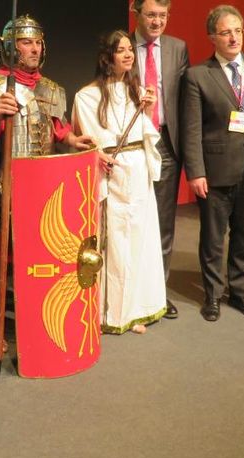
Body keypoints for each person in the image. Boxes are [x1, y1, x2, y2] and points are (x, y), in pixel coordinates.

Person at [0, 14, 93, 352]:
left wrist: (73, 140)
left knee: (40, 256)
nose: (34, 48)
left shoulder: (51, 88)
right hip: (5, 185)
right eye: (26, 42)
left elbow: (58, 130)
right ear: (10, 47)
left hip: (42, 189)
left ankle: (35, 314)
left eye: (38, 42)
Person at [181, 5, 244, 322]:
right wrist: (196, 172)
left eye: (238, 31)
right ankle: (212, 295)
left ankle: (240, 293)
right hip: (215, 170)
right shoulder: (198, 75)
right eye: (226, 32)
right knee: (213, 239)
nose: (234, 37)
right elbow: (191, 129)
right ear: (213, 37)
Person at [72, 30, 166, 334]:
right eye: (121, 50)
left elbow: (146, 132)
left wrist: (148, 108)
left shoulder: (136, 90)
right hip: (112, 173)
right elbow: (89, 139)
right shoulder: (87, 96)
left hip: (138, 171)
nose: (128, 55)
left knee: (140, 239)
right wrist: (98, 154)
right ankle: (113, 313)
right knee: (116, 243)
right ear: (107, 57)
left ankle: (139, 308)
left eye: (130, 49)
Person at [131, 0, 189, 320]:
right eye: (151, 15)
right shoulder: (122, 46)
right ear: (136, 12)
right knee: (131, 217)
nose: (157, 22)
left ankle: (159, 293)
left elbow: (185, 99)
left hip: (165, 140)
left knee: (163, 221)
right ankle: (131, 292)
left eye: (162, 16)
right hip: (131, 143)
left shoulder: (178, 48)